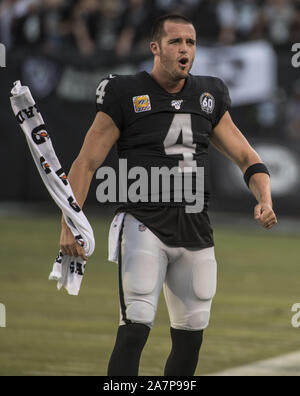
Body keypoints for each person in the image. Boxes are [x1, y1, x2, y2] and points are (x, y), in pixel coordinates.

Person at [59, 14, 277, 376]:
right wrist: (70, 223)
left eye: (191, 42)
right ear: (155, 47)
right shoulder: (124, 91)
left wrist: (265, 199)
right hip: (143, 222)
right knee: (135, 328)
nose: (185, 49)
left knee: (191, 337)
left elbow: (247, 158)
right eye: (176, 42)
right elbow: (86, 164)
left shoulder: (208, 94)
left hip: (195, 226)